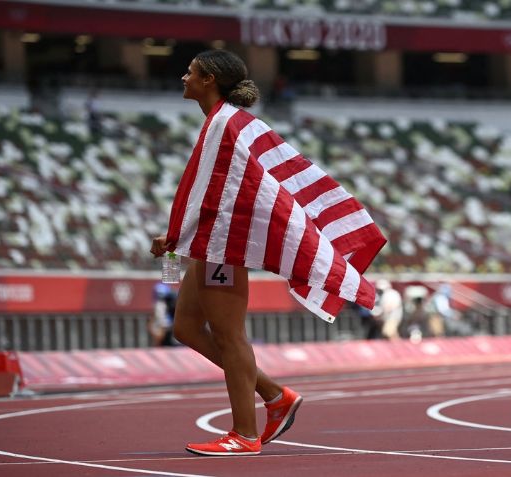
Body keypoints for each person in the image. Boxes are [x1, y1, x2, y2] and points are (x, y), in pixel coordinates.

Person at [150, 50, 385, 457]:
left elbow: (211, 194)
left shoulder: (226, 123)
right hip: (210, 241)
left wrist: (174, 236)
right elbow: (207, 189)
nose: (182, 77)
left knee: (229, 335)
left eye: (190, 72)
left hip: (223, 244)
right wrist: (178, 237)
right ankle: (275, 395)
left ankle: (244, 433)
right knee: (186, 328)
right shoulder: (224, 122)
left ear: (209, 80)